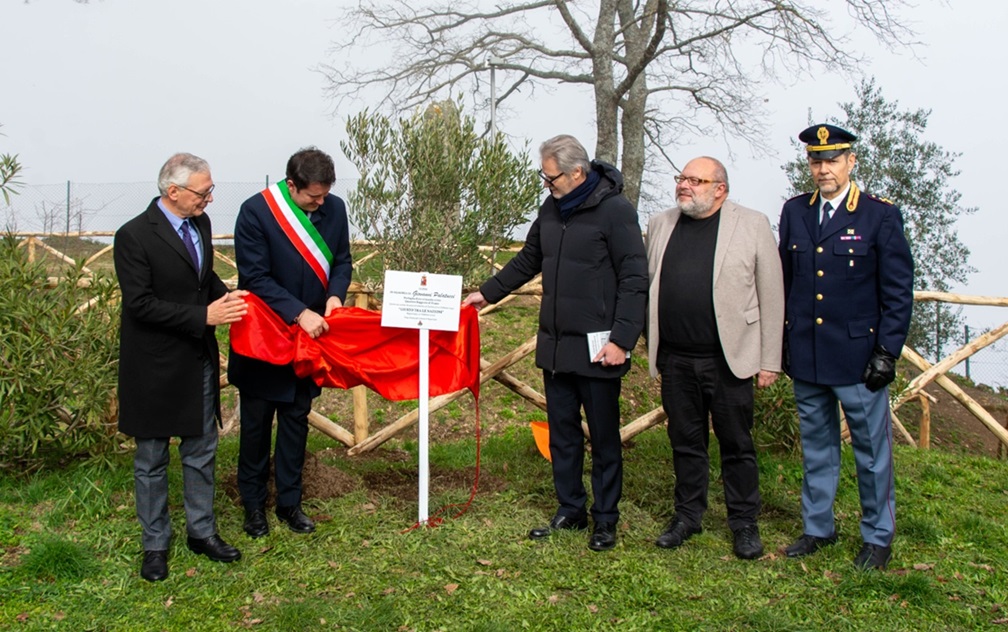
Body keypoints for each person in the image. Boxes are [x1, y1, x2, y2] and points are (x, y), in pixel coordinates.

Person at [463, 134, 647, 551]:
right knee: (563, 434)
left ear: (577, 172)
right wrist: (488, 293)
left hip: (600, 348)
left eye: (552, 178)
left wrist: (622, 339)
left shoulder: (616, 211)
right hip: (557, 346)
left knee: (603, 438)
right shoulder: (552, 208)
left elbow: (635, 278)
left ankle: (605, 518)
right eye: (544, 178)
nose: (547, 185)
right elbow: (530, 258)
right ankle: (571, 509)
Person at [779, 124, 914, 570]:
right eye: (816, 161)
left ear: (851, 162)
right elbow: (787, 283)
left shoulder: (879, 216)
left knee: (871, 455)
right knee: (817, 448)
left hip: (859, 359)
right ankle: (818, 527)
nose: (823, 169)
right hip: (808, 354)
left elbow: (898, 292)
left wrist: (887, 352)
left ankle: (877, 536)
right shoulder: (795, 211)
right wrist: (783, 342)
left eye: (832, 160)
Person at [115, 153, 248, 582]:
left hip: (197, 360)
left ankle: (201, 533)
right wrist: (203, 317)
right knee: (151, 459)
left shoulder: (201, 224)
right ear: (173, 191)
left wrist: (228, 296)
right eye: (203, 192)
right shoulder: (133, 236)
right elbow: (140, 305)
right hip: (153, 367)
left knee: (201, 451)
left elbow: (200, 280)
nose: (209, 199)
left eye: (211, 190)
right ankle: (155, 544)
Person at [645, 156, 784, 560]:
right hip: (676, 358)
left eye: (696, 180)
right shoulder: (660, 223)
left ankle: (744, 523)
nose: (684, 185)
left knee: (737, 444)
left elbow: (772, 295)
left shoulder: (752, 224)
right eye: (682, 178)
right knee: (685, 442)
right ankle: (688, 516)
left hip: (729, 359)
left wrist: (770, 360)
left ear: (720, 189)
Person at [229, 147, 353, 538]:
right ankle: (253, 506)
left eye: (325, 195)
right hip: (265, 337)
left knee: (296, 421)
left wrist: (335, 296)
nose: (321, 203)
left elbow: (342, 261)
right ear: (291, 185)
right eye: (313, 197)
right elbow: (255, 278)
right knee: (256, 427)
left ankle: (289, 503)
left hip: (310, 339)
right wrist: (299, 312)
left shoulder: (335, 209)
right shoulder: (256, 212)